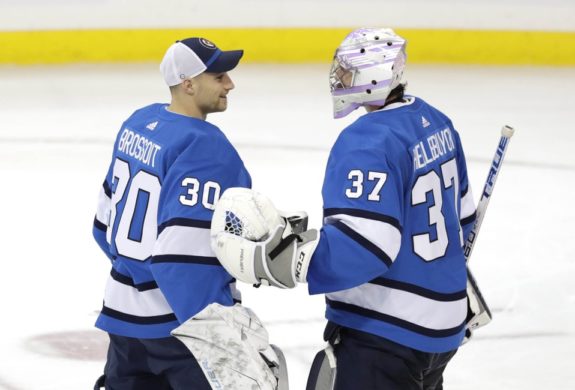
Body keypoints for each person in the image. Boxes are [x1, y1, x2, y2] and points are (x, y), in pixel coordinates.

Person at [212, 27, 477, 390]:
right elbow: (463, 217)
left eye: (349, 70)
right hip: (442, 327)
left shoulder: (367, 142)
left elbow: (365, 249)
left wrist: (286, 259)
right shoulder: (435, 121)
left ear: (374, 76)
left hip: (387, 331)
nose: (339, 76)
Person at [91, 37, 252, 389]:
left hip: (122, 319)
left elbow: (103, 227)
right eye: (219, 76)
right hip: (178, 330)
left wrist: (135, 276)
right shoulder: (206, 146)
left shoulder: (139, 122)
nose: (230, 84)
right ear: (188, 83)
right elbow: (184, 258)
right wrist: (217, 327)